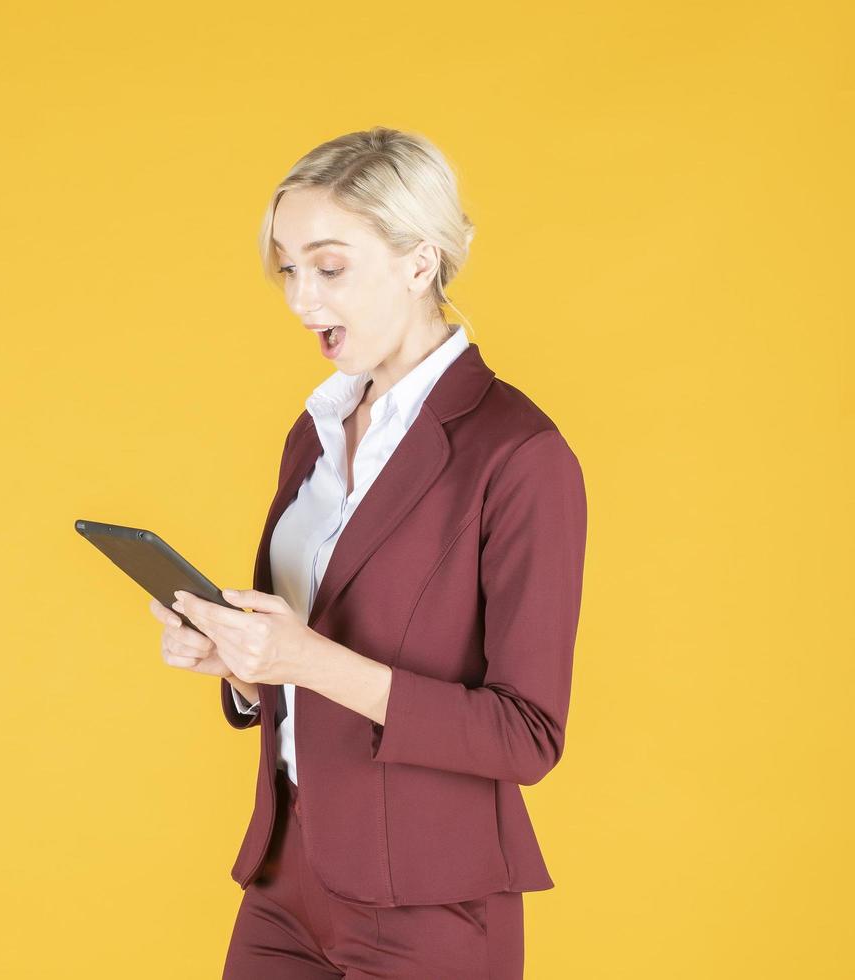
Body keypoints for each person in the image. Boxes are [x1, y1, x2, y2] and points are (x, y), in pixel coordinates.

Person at [147, 128, 588, 979]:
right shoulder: (313, 433)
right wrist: (241, 666)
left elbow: (526, 736)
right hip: (286, 874)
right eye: (286, 268)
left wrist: (307, 659)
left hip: (430, 903)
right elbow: (296, 666)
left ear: (419, 263)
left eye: (329, 266)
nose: (300, 298)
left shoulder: (520, 456)